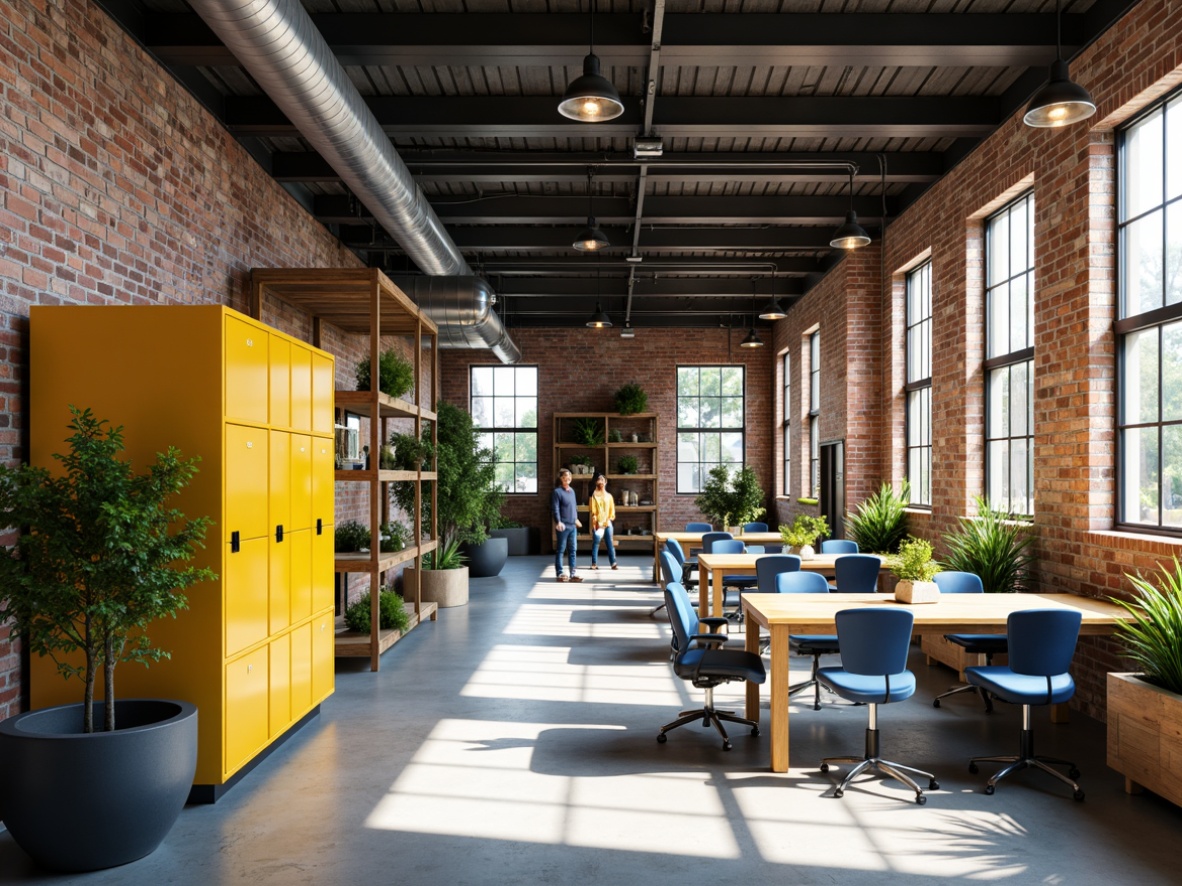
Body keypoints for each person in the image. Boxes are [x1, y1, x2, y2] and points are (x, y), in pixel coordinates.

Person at [551, 468, 582, 582]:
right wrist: (558, 521)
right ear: (561, 478)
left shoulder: (572, 491)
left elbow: (573, 507)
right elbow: (555, 508)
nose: (567, 478)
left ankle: (573, 573)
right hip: (563, 526)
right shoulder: (557, 492)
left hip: (572, 526)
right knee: (561, 550)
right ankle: (560, 573)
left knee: (573, 550)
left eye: (569, 476)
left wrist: (576, 519)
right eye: (565, 476)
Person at [587, 474, 618, 570]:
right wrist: (596, 523)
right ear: (596, 482)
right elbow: (593, 511)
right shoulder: (593, 496)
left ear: (605, 482)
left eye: (602, 479)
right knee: (596, 543)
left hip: (607, 523)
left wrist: (609, 519)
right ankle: (594, 563)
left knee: (610, 543)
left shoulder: (609, 496)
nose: (601, 481)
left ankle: (613, 563)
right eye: (599, 479)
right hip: (598, 523)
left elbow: (612, 510)